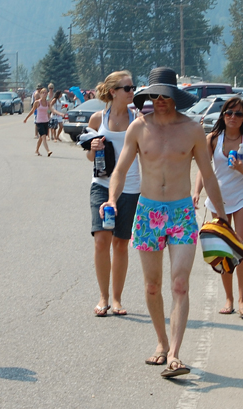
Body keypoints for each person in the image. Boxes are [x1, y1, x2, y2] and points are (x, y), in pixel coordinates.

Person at [100, 67, 227, 378]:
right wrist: (112, 199)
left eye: (164, 95)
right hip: (147, 213)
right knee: (152, 286)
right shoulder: (139, 128)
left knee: (180, 284)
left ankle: (175, 354)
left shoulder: (193, 130)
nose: (158, 100)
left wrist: (223, 218)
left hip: (182, 212)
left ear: (174, 97)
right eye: (153, 95)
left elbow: (208, 175)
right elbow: (119, 169)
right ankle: (160, 342)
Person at [193, 97, 243, 317]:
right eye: (229, 113)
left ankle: (242, 300)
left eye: (238, 114)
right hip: (218, 199)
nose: (233, 117)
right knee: (223, 249)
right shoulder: (213, 139)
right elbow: (204, 169)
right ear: (223, 115)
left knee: (241, 249)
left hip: (242, 198)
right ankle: (229, 299)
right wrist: (196, 192)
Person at [87, 71, 140, 317]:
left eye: (133, 87)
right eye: (127, 88)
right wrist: (93, 147)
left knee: (120, 244)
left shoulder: (138, 119)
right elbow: (89, 156)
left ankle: (117, 299)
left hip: (130, 187)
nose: (132, 92)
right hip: (101, 184)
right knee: (101, 241)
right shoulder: (98, 119)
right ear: (113, 92)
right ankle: (103, 297)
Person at [23, 88, 63, 156]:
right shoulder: (37, 102)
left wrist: (60, 114)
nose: (44, 94)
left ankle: (36, 150)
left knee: (41, 137)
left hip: (46, 121)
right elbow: (32, 111)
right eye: (43, 93)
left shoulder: (48, 103)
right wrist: (26, 118)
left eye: (45, 93)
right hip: (39, 122)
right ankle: (48, 150)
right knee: (44, 136)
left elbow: (52, 110)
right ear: (40, 94)